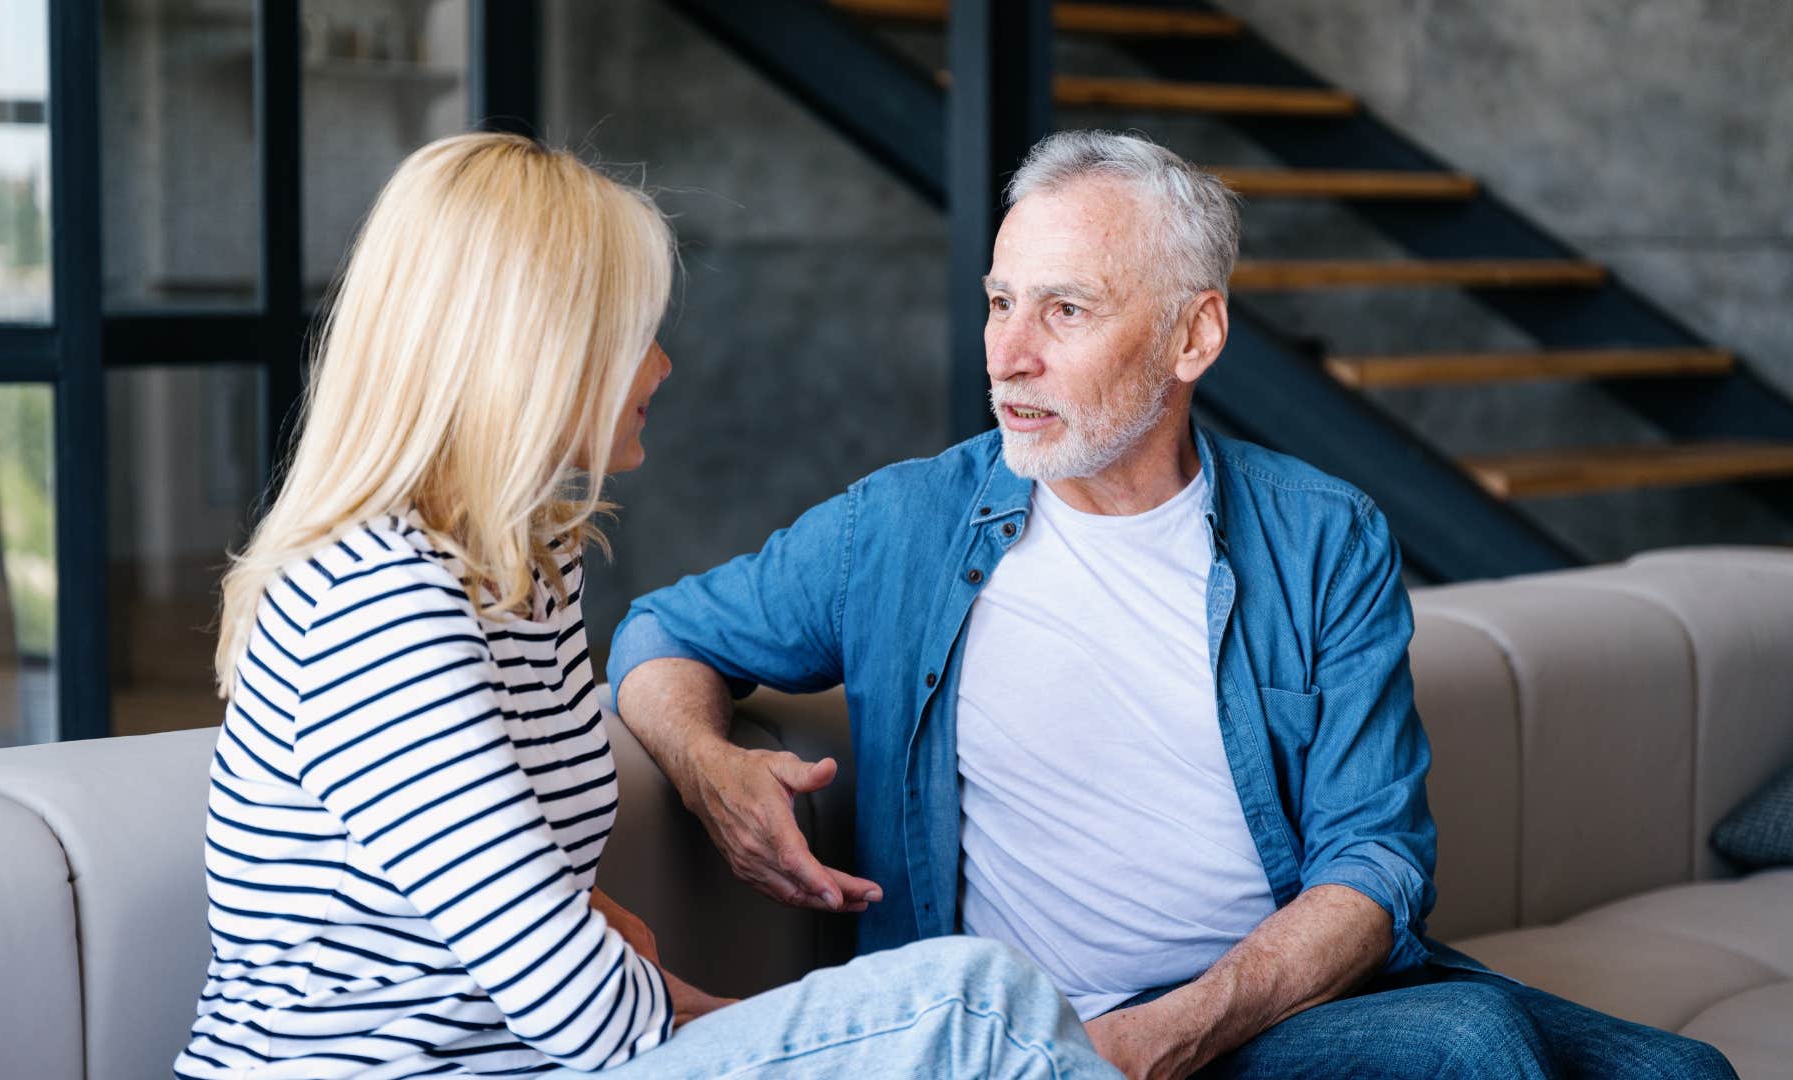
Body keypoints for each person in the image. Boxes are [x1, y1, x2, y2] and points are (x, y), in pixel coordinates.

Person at [607, 130, 1739, 1080]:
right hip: (1038, 1035)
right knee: (1468, 1043)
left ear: (1194, 335)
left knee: (1689, 1070)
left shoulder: (1320, 533)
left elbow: (1377, 862)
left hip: (1268, 1008)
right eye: (1001, 301)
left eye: (1064, 311)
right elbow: (664, 632)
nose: (1007, 355)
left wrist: (1173, 1034)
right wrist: (707, 765)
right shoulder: (901, 526)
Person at [176, 132, 1113, 1080]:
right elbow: (570, 997)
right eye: (631, 337)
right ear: (525, 349)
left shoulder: (528, 573)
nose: (661, 367)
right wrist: (812, 1040)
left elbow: (552, 933)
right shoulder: (376, 602)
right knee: (978, 1006)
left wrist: (767, 1026)